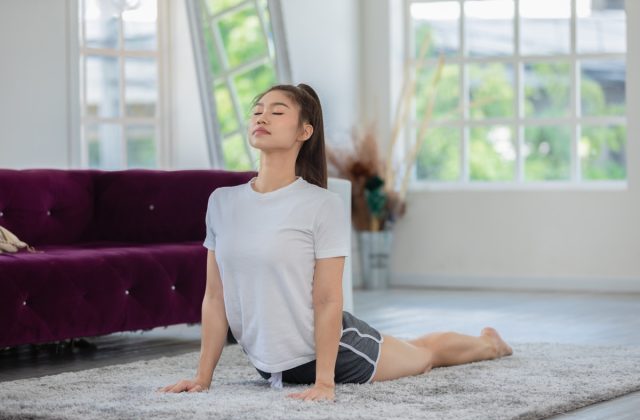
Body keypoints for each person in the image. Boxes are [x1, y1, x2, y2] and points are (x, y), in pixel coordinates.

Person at [157, 83, 513, 402]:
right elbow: (215, 297)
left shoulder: (321, 205)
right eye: (258, 110)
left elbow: (328, 298)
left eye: (277, 111)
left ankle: (490, 344)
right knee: (411, 346)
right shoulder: (222, 202)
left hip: (333, 349)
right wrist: (202, 378)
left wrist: (325, 382)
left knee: (423, 356)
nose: (262, 116)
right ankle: (473, 341)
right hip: (270, 364)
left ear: (304, 131)